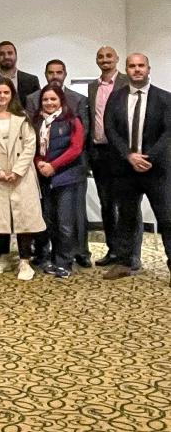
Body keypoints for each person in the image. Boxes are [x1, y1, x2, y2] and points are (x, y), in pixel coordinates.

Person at [103, 53, 171, 284]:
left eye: (141, 65)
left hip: (157, 169)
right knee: (126, 217)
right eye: (132, 66)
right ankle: (124, 262)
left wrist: (148, 157)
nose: (137, 69)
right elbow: (110, 129)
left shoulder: (165, 99)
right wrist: (128, 155)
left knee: (167, 218)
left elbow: (168, 133)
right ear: (127, 69)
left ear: (148, 68)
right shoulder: (116, 97)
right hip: (125, 169)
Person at [0, 78, 45, 281]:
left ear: (12, 95)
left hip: (20, 175)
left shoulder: (22, 118)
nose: (2, 96)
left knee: (23, 218)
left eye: (6, 92)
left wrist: (17, 171)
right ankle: (2, 258)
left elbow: (30, 145)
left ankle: (24, 261)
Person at [25, 59, 90, 267]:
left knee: (66, 223)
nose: (49, 103)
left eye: (53, 100)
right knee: (47, 220)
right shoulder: (36, 122)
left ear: (61, 101)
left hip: (67, 175)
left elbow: (76, 147)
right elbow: (32, 146)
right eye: (46, 100)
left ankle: (65, 261)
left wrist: (54, 166)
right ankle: (49, 257)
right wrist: (39, 163)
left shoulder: (72, 120)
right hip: (43, 176)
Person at [87, 46, 138, 269]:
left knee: (127, 204)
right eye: (101, 56)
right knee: (106, 203)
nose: (105, 60)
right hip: (99, 153)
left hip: (123, 152)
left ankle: (132, 254)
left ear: (117, 59)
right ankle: (113, 250)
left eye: (109, 56)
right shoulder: (92, 87)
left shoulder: (128, 82)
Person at [0, 41, 40, 108]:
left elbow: (37, 106)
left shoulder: (31, 80)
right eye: (1, 54)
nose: (6, 57)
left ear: (16, 55)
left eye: (10, 53)